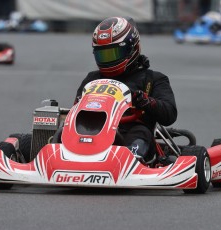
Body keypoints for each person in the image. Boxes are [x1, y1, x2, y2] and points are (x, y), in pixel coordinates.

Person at [74, 17, 177, 164]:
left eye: (113, 54)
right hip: (92, 131)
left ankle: (129, 161)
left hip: (130, 132)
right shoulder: (92, 79)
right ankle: (56, 156)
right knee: (63, 130)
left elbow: (170, 114)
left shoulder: (152, 79)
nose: (107, 60)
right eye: (103, 55)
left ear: (132, 48)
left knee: (140, 132)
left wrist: (147, 102)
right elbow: (76, 109)